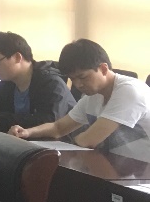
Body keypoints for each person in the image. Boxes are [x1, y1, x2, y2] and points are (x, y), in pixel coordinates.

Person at [9, 39, 150, 163]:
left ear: (103, 68)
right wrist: (27, 133)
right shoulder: (92, 95)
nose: (78, 84)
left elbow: (89, 140)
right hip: (118, 169)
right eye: (73, 79)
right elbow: (59, 128)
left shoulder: (130, 91)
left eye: (83, 77)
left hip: (143, 173)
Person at [0, 32, 75, 130]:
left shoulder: (51, 83)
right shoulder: (8, 83)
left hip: (62, 142)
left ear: (17, 57)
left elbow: (48, 122)